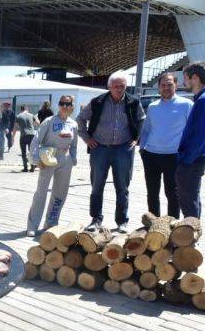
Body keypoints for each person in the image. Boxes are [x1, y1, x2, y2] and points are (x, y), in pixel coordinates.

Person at [77, 71, 146, 233]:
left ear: (126, 86)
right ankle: (96, 219)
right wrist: (87, 138)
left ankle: (122, 221)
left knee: (122, 187)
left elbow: (142, 119)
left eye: (122, 86)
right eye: (115, 86)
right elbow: (80, 119)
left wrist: (137, 139)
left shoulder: (133, 102)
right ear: (109, 86)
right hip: (99, 149)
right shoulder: (98, 102)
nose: (119, 89)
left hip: (123, 149)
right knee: (97, 186)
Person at [138, 73, 193, 218]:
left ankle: (171, 224)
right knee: (152, 192)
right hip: (151, 155)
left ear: (176, 85)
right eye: (163, 85)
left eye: (170, 84)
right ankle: (154, 224)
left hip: (173, 156)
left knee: (172, 193)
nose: (166, 88)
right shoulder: (152, 106)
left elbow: (192, 130)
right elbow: (147, 130)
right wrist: (142, 149)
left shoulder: (187, 104)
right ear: (158, 88)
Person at [26, 95, 79, 236]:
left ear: (72, 106)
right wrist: (36, 159)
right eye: (62, 103)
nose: (65, 106)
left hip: (65, 159)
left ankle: (51, 222)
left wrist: (73, 159)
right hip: (48, 157)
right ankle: (32, 225)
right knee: (41, 192)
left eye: (68, 104)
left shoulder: (73, 124)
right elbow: (36, 141)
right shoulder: (49, 122)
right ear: (58, 105)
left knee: (60, 192)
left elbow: (74, 144)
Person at [176, 61, 205, 219]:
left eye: (186, 78)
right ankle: (191, 234)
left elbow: (199, 136)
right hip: (196, 157)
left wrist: (185, 159)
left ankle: (189, 237)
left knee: (188, 199)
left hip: (193, 159)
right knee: (192, 198)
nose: (184, 82)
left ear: (195, 77)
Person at [11, 105, 37, 172]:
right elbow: (38, 123)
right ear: (27, 108)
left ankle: (25, 168)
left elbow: (15, 128)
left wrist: (13, 137)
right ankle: (32, 167)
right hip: (31, 135)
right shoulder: (31, 115)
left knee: (24, 153)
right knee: (31, 152)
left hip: (23, 136)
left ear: (21, 109)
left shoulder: (18, 116)